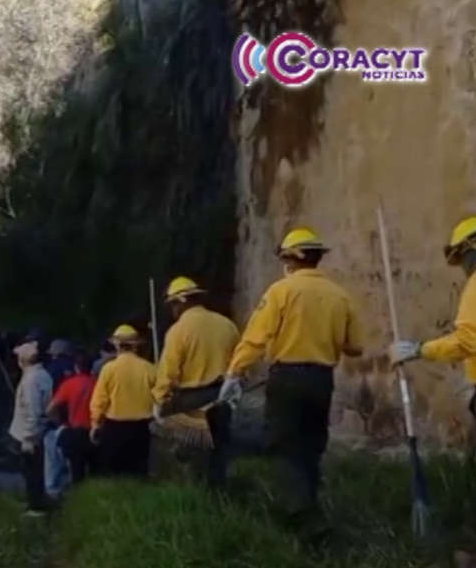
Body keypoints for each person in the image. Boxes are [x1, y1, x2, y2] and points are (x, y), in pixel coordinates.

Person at [222, 228, 362, 532]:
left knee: (284, 445)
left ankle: (302, 517)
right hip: (322, 379)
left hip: (287, 378)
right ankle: (308, 504)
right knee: (312, 445)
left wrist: (234, 373)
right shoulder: (341, 296)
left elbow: (255, 339)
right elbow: (355, 347)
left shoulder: (280, 292)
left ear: (289, 259)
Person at [391, 216, 476, 550]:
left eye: (461, 258)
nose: (462, 267)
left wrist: (420, 350)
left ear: (473, 249)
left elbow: (472, 339)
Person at [152, 277, 240, 488]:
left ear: (182, 301)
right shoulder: (226, 325)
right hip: (221, 396)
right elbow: (239, 361)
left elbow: (169, 371)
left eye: (173, 304)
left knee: (192, 456)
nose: (172, 310)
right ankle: (219, 499)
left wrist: (159, 399)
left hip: (191, 400)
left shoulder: (179, 330)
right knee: (219, 453)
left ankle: (194, 501)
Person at [90, 325, 157, 477]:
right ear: (136, 345)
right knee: (139, 473)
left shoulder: (109, 369)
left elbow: (99, 401)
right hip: (142, 428)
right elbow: (161, 396)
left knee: (115, 473)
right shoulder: (149, 368)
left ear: (116, 344)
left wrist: (95, 424)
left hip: (115, 428)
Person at [8, 340, 53, 514]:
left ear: (24, 360)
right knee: (34, 470)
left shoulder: (30, 381)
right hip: (38, 431)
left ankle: (36, 507)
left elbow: (33, 411)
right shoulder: (41, 375)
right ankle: (35, 502)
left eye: (19, 356)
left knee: (32, 471)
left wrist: (28, 438)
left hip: (30, 435)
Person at [46, 353, 97, 483]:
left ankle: (74, 496)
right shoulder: (97, 383)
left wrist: (59, 423)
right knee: (95, 470)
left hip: (75, 432)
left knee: (76, 470)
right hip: (95, 432)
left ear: (76, 367)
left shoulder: (69, 384)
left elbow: (51, 408)